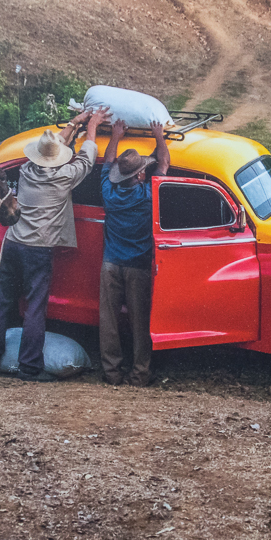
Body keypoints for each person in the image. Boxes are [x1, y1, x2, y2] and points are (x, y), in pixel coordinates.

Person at [0, 108, 108, 382]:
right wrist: (93, 126)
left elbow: (54, 146)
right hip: (38, 250)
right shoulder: (65, 177)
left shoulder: (25, 170)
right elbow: (88, 156)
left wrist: (75, 123)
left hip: (13, 243)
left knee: (2, 303)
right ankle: (29, 367)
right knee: (35, 308)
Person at [99, 119, 170, 386]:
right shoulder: (149, 196)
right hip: (138, 266)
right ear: (140, 176)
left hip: (110, 264)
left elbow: (107, 163)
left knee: (109, 322)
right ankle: (140, 373)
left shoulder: (108, 193)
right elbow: (163, 162)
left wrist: (116, 135)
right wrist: (159, 136)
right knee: (140, 323)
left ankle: (111, 372)